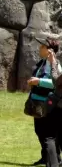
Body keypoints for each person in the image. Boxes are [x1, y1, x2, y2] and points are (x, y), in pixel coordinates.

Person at [29, 38, 62, 167]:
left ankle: (54, 160)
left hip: (50, 105)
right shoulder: (42, 63)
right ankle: (46, 158)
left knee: (49, 135)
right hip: (38, 103)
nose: (39, 48)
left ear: (49, 50)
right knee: (40, 131)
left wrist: (38, 81)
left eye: (42, 46)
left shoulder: (55, 65)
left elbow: (56, 83)